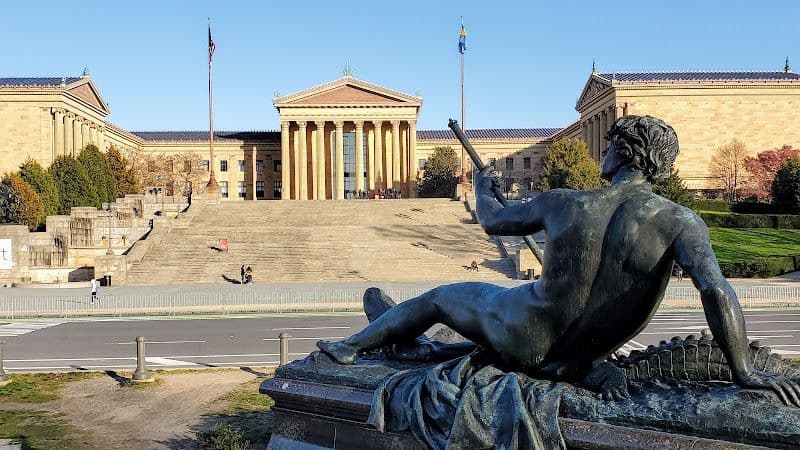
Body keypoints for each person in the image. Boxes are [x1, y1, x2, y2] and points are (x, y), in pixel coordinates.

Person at [319, 115, 800, 406]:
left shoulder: (566, 202)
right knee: (462, 320)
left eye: (610, 144)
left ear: (626, 151)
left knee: (442, 299)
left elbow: (492, 222)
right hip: (576, 359)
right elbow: (716, 290)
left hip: (519, 333)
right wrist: (744, 372)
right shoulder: (682, 222)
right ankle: (401, 338)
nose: (604, 151)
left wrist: (485, 190)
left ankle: (353, 346)